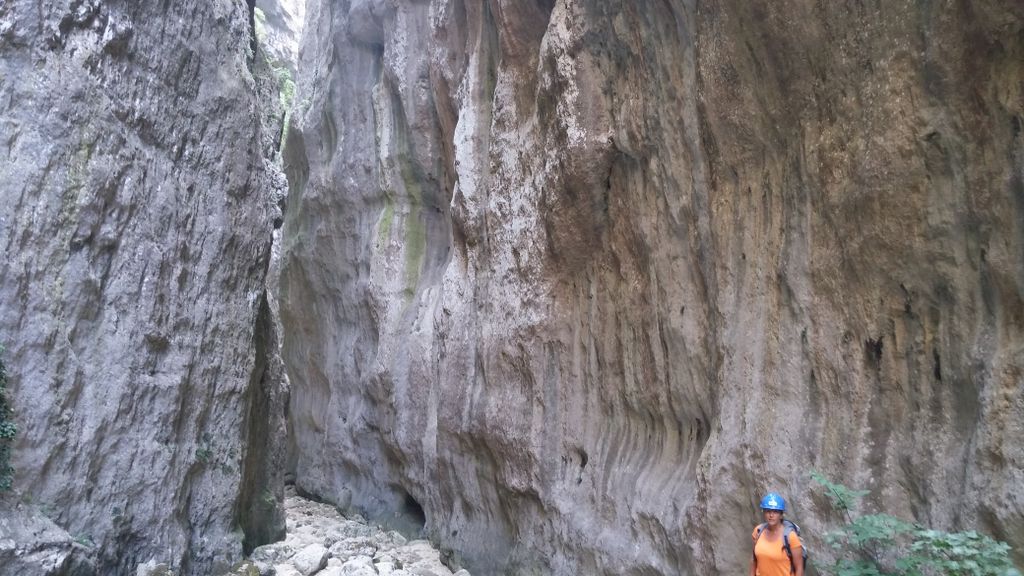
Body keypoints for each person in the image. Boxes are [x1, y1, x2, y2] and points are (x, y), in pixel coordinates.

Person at [750, 492, 804, 576]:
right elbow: (754, 559)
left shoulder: (790, 537)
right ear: (764, 513)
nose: (771, 515)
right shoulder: (758, 531)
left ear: (781, 515)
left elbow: (799, 568)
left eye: (775, 512)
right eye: (768, 511)